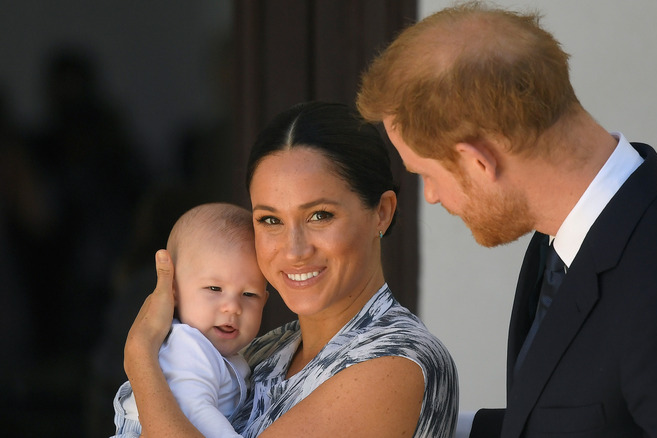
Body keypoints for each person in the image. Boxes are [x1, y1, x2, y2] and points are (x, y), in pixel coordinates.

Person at [356, 2, 657, 437]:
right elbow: (583, 421)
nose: (433, 196)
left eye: (426, 174)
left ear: (478, 162)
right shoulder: (568, 235)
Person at [122, 101, 459, 437]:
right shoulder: (266, 349)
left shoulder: (394, 361)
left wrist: (140, 355)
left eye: (320, 215)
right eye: (271, 220)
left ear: (382, 212)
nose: (295, 250)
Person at [112, 202, 268, 437]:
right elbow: (194, 412)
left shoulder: (221, 352)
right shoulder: (187, 346)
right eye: (214, 288)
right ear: (173, 291)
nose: (233, 307)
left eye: (249, 294)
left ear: (265, 300)